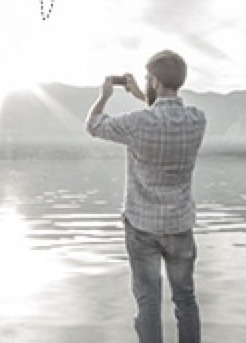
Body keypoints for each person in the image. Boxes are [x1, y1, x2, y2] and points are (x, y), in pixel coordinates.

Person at [84, 50, 206, 343]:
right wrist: (143, 94)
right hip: (180, 226)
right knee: (185, 299)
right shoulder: (197, 120)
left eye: (149, 78)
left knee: (148, 301)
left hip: (142, 228)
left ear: (153, 80)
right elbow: (165, 114)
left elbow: (94, 125)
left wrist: (103, 96)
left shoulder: (137, 123)